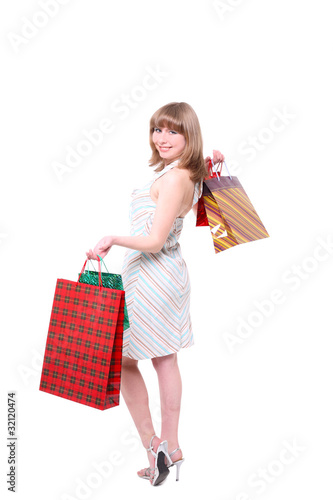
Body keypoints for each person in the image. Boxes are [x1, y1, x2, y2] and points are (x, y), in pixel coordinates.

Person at [86, 102, 224, 486]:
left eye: (172, 132)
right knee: (162, 360)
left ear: (188, 136)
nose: (161, 139)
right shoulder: (187, 173)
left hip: (153, 276)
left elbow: (154, 240)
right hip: (164, 276)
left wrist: (112, 238)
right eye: (157, 130)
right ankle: (167, 449)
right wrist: (213, 164)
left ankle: (157, 445)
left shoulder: (178, 177)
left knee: (131, 360)